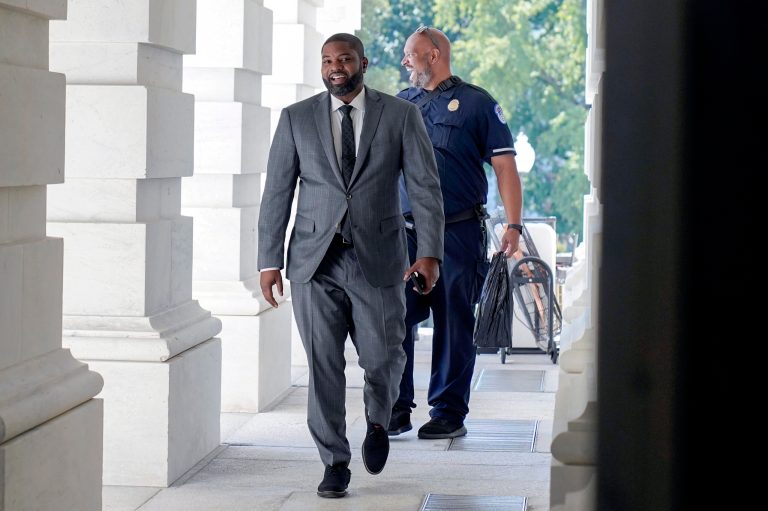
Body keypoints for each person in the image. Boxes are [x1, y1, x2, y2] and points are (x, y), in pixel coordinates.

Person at [257, 33, 444, 498]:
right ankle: (334, 462)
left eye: (343, 59)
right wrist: (268, 260)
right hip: (313, 262)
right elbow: (277, 193)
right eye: (326, 60)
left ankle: (378, 422)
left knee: (383, 359)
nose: (335, 67)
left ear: (363, 62)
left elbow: (424, 186)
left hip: (378, 259)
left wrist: (430, 252)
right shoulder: (296, 119)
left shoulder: (400, 115)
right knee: (323, 367)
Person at [388, 26, 523, 440]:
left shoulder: (479, 105)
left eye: (410, 54)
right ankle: (395, 405)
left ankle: (447, 412)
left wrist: (513, 225)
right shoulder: (400, 105)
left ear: (433, 54)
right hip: (406, 234)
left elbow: (504, 168)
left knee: (454, 321)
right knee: (396, 320)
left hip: (459, 232)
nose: (404, 62)